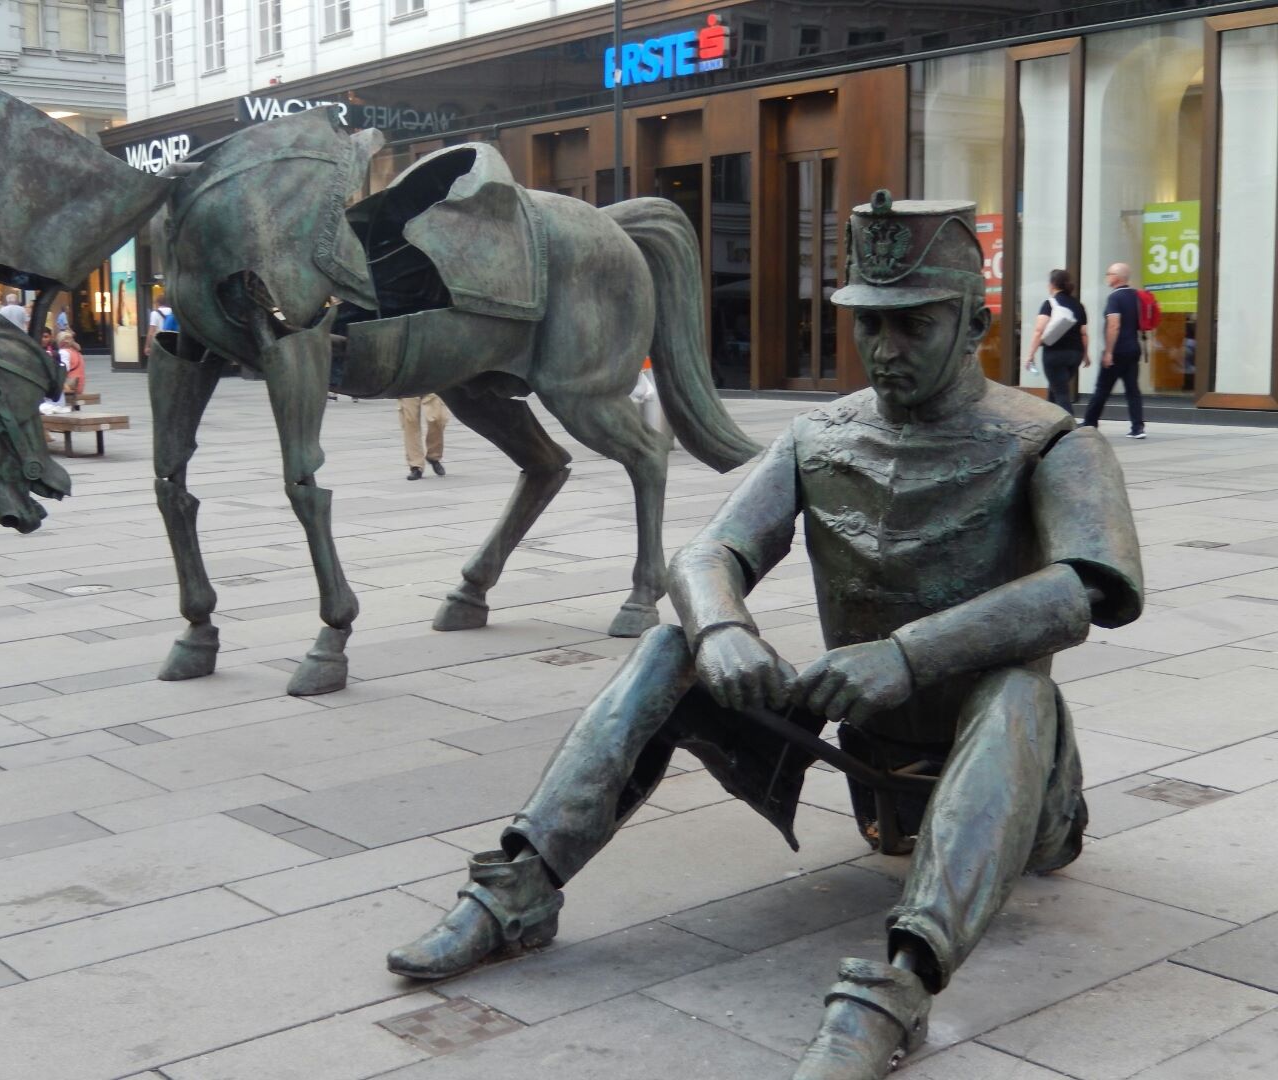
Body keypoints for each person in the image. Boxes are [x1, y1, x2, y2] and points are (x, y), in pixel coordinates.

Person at [386, 192, 1143, 1080]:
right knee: (671, 649)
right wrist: (721, 627)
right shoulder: (820, 435)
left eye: (914, 326)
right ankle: (518, 886)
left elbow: (1082, 590)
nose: (885, 350)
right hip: (863, 756)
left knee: (1019, 689)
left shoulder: (1051, 442)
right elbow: (711, 551)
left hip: (1016, 779)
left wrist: (905, 655)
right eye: (870, 327)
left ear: (974, 323)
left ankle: (899, 983)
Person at [1082, 262, 1146, 439]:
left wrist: (1109, 351)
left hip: (1118, 351)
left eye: (1108, 273)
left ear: (1117, 277)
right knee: (1133, 390)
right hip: (1134, 348)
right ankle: (1138, 427)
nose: (1107, 277)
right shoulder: (1136, 296)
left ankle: (1089, 422)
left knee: (1102, 388)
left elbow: (1113, 325)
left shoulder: (1115, 298)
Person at [1023, 268, 1089, 415]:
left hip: (1055, 354)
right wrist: (1085, 354)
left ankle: (1070, 430)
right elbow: (1084, 333)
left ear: (1052, 284)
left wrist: (1030, 355)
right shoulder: (1078, 305)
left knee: (1061, 393)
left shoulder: (1049, 304)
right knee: (1056, 387)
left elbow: (1039, 330)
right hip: (1075, 355)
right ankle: (1048, 420)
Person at [399, 394, 447, 480]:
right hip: (408, 385)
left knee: (438, 417)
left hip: (429, 382)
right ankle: (416, 466)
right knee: (410, 421)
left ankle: (433, 456)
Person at [145, 291, 176, 358]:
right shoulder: (173, 311)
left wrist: (147, 346)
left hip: (160, 342)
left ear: (157, 303)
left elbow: (151, 332)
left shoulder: (154, 313)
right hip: (173, 341)